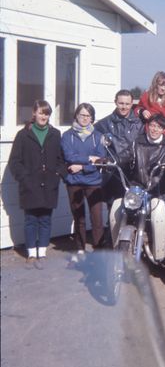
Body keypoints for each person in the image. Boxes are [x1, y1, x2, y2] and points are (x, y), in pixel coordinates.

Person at [121, 113, 165, 273]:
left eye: (159, 127)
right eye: (152, 125)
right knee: (122, 214)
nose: (155, 129)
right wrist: (111, 160)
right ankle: (120, 249)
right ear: (147, 125)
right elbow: (125, 155)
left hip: (160, 190)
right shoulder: (138, 141)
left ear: (164, 129)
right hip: (139, 188)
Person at [8, 100, 66, 269]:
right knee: (31, 220)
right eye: (41, 113)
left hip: (49, 185)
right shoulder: (23, 135)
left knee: (46, 220)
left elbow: (60, 160)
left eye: (46, 113)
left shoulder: (55, 134)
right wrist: (24, 178)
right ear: (34, 113)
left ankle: (42, 253)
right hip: (30, 186)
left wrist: (57, 174)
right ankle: (31, 254)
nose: (43, 116)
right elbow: (15, 162)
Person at [61, 103, 107, 263]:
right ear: (76, 116)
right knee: (79, 217)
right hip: (74, 182)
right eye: (82, 115)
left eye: (88, 116)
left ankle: (99, 250)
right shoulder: (67, 136)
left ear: (92, 118)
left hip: (94, 181)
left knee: (97, 219)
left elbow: (101, 159)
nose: (85, 118)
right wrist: (89, 159)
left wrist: (81, 166)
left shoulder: (98, 136)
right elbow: (69, 157)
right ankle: (80, 248)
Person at [95, 89, 144, 206]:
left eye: (127, 104)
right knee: (113, 210)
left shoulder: (139, 124)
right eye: (121, 103)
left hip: (133, 173)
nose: (124, 107)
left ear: (132, 104)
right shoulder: (103, 124)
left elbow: (143, 148)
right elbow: (92, 143)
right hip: (113, 174)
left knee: (134, 209)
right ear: (115, 102)